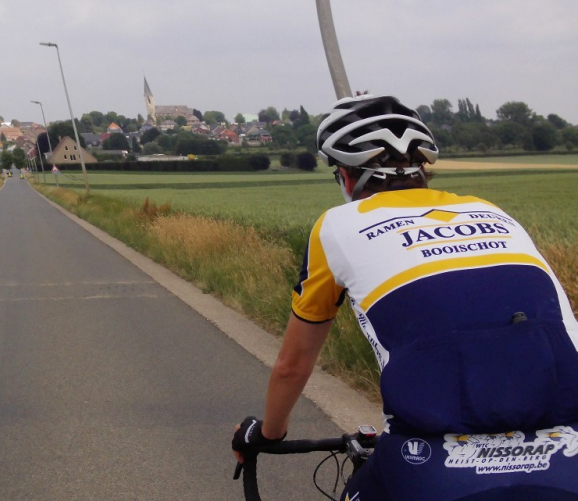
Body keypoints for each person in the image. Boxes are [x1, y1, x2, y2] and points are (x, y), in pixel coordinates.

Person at [232, 95, 578, 500]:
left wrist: (265, 434)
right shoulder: (490, 211)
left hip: (434, 454)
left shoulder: (337, 226)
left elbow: (293, 365)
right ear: (424, 170)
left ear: (346, 177)